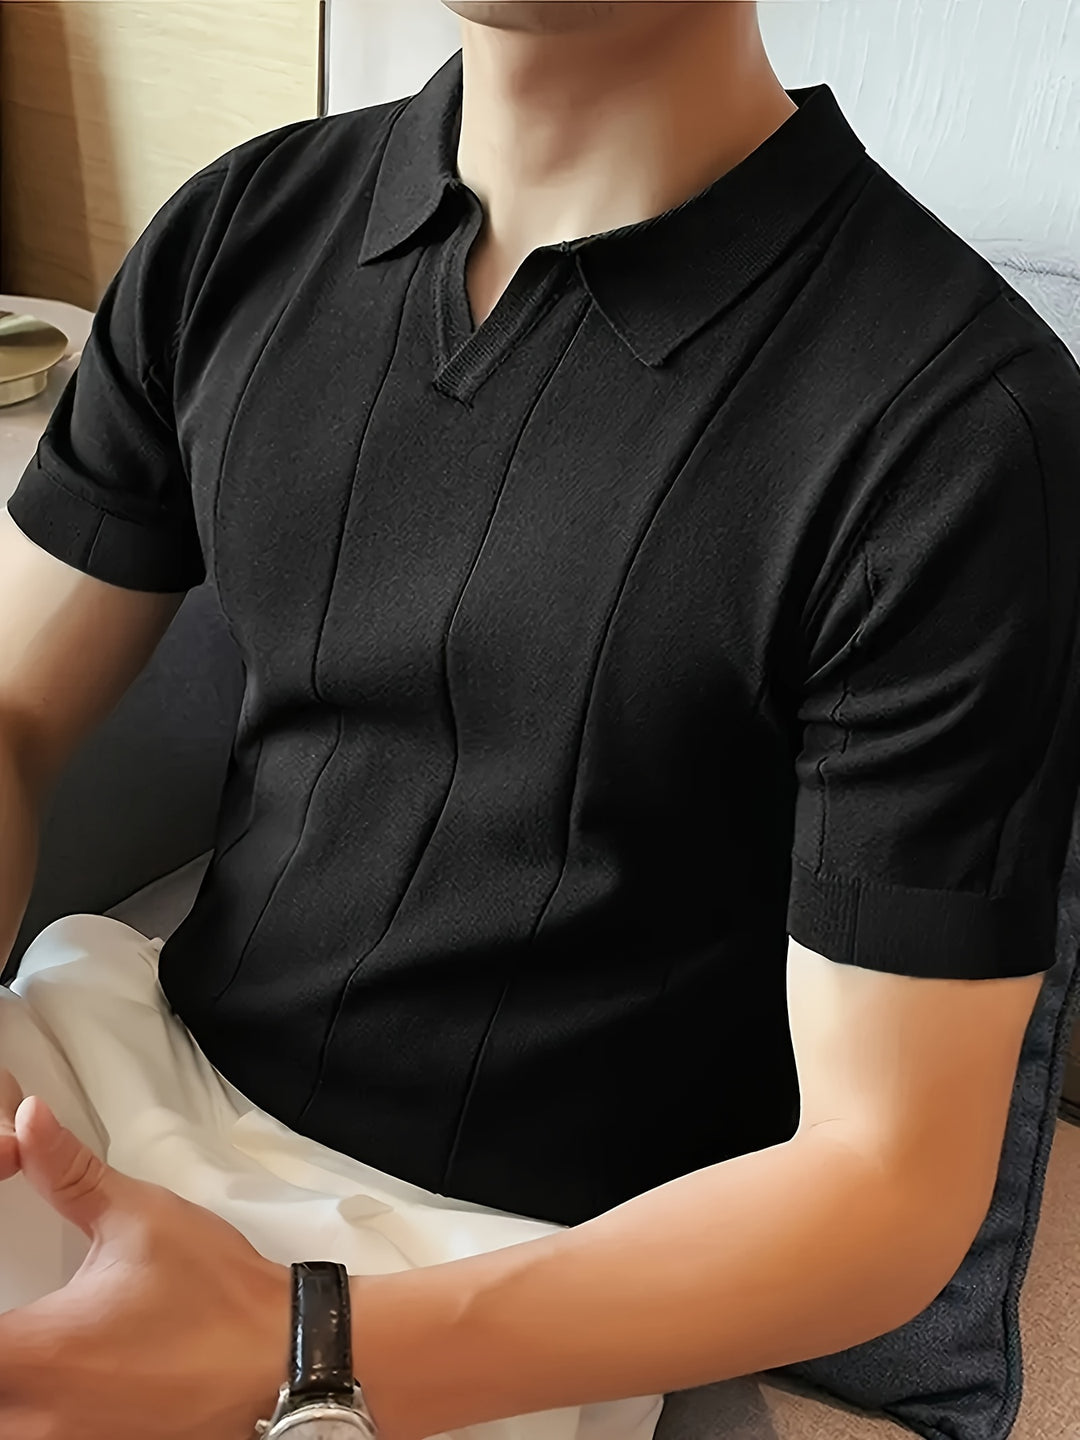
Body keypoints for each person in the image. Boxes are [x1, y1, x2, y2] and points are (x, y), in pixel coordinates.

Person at [2, 3, 1080, 1440]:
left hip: (522, 1273)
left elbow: (890, 1182)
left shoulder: (962, 430)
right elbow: (13, 710)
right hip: (118, 1071)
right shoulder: (239, 227)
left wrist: (304, 1347)